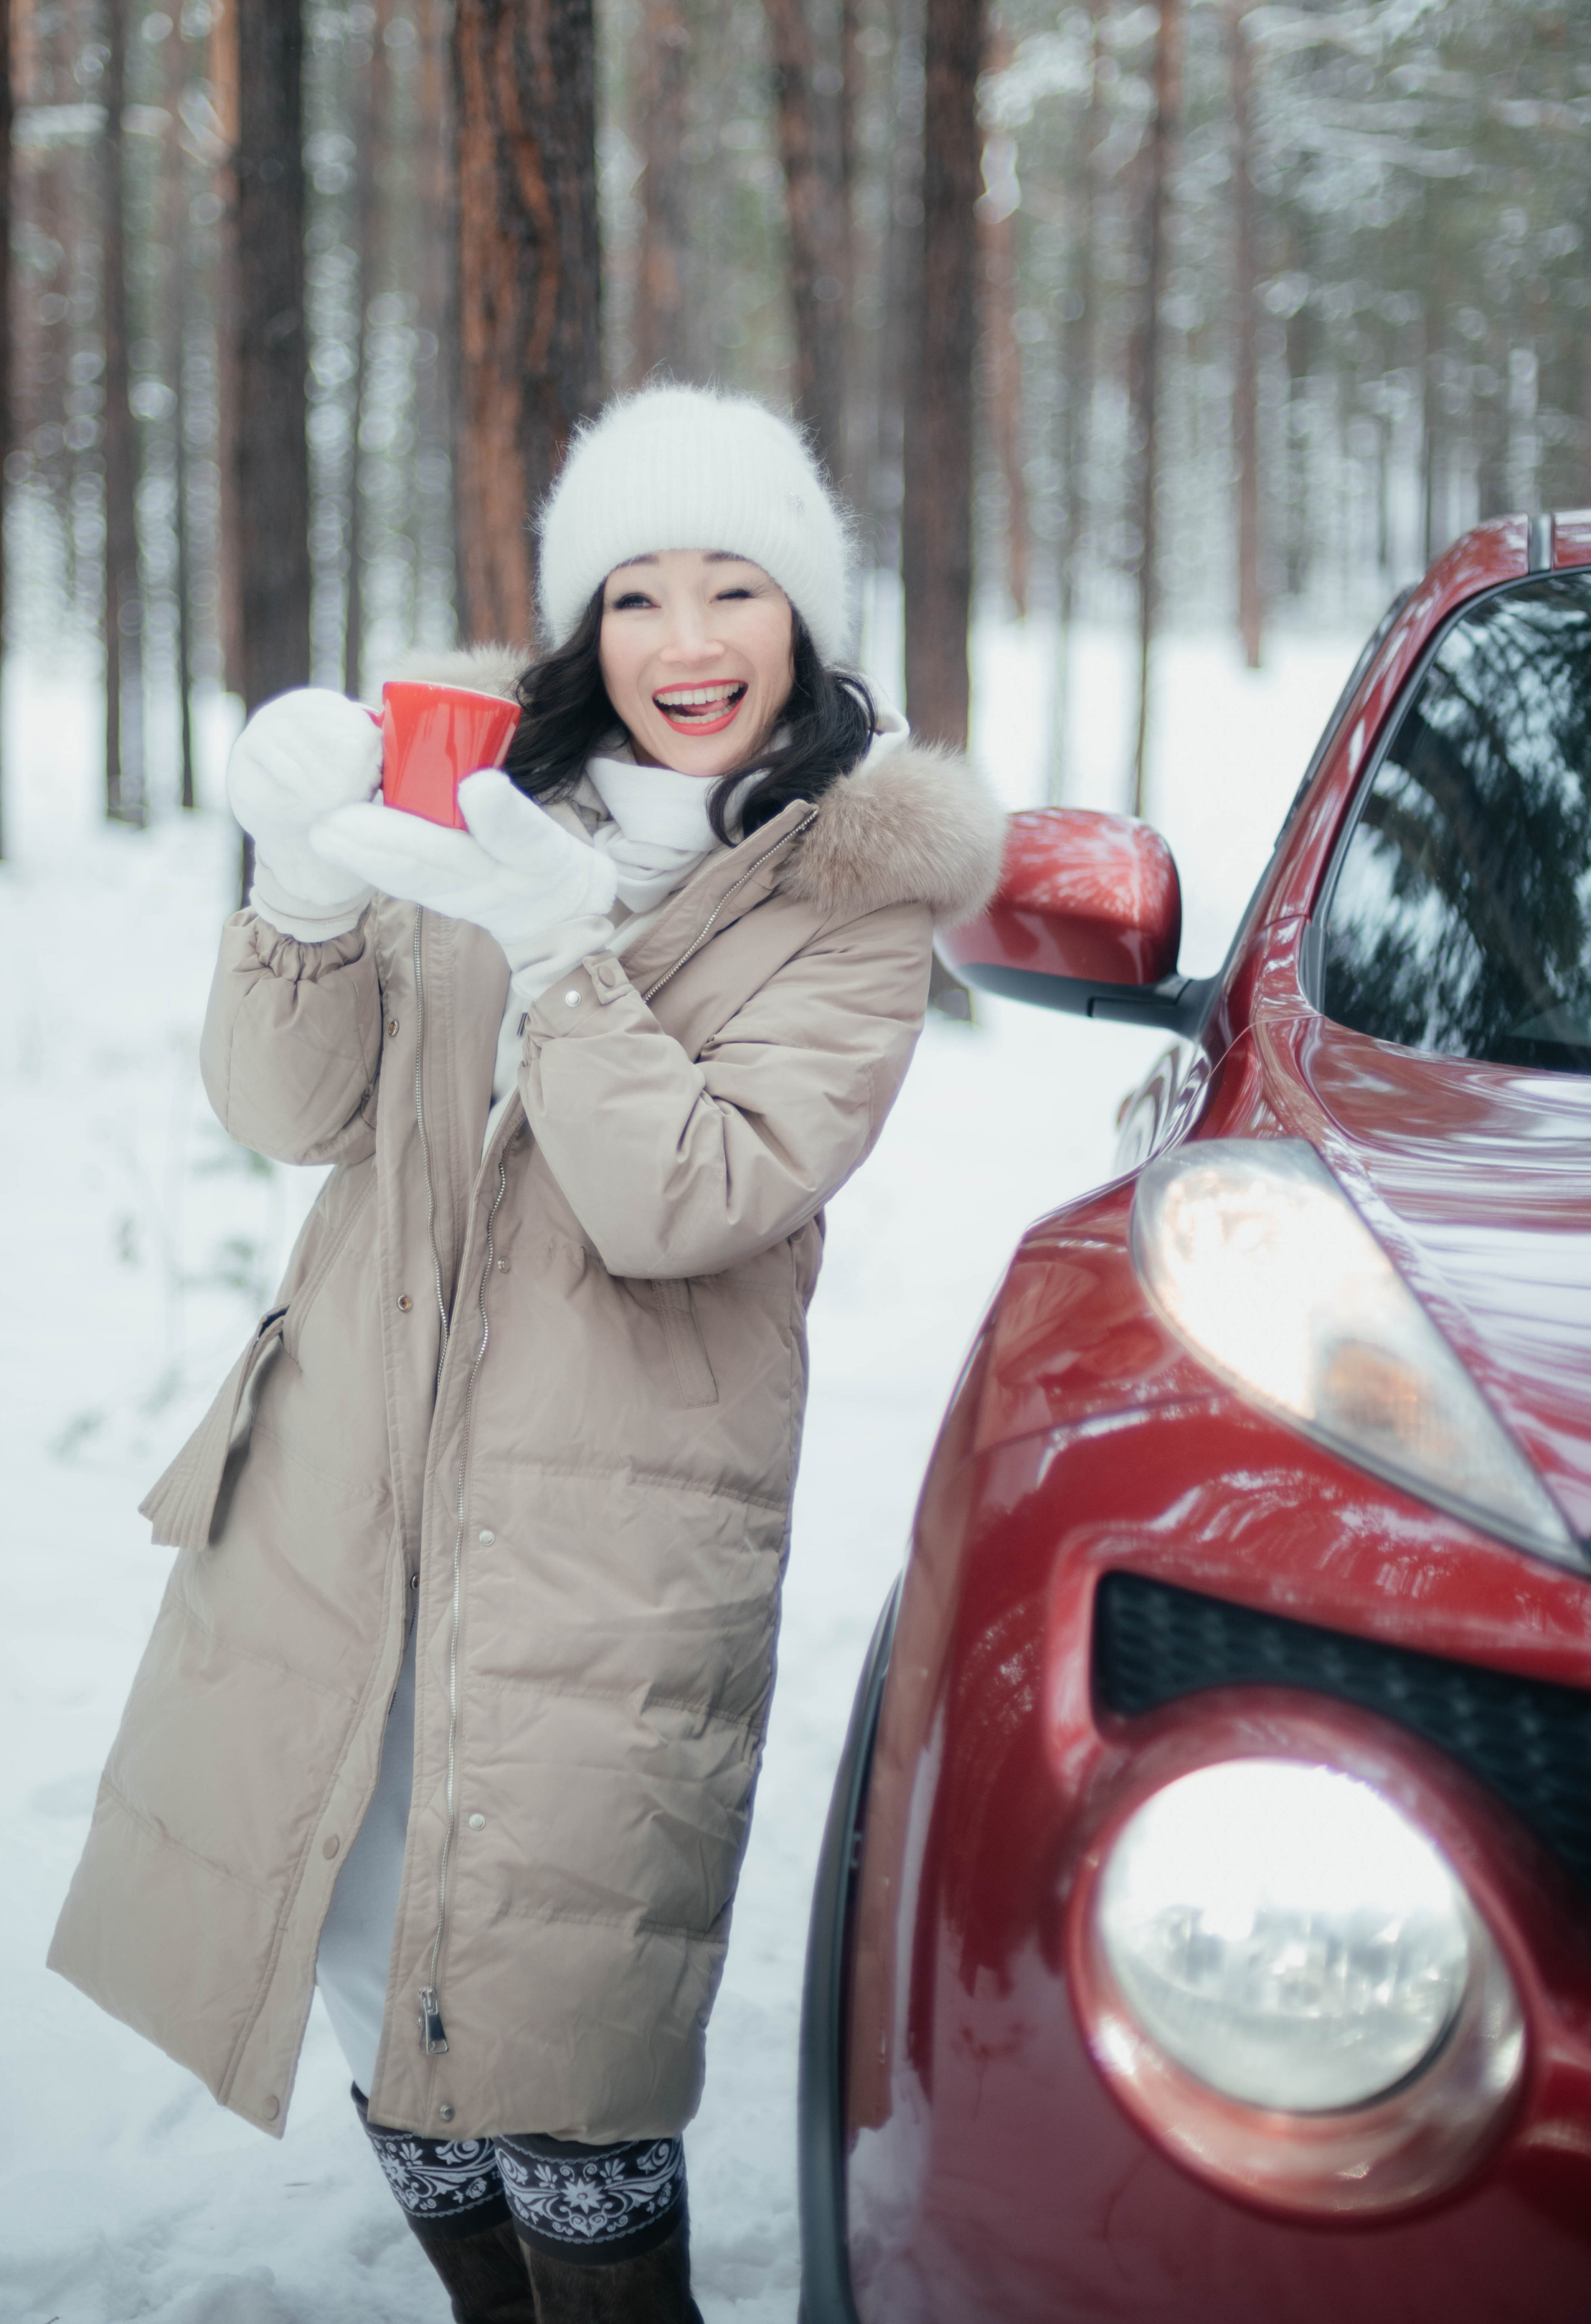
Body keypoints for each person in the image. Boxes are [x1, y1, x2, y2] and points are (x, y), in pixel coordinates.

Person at [49, 384, 1002, 2323]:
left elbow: (690, 1195)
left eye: (734, 589)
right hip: (353, 1510)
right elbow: (290, 1108)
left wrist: (569, 961)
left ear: (803, 618)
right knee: (371, 1985)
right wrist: (308, 888)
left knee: (564, 2066)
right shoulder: (471, 781)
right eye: (637, 595)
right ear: (584, 624)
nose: (687, 642)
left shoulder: (851, 896)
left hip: (607, 1553)